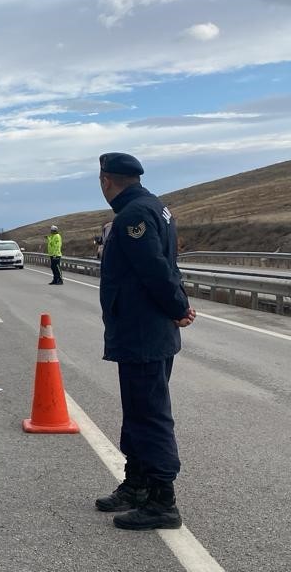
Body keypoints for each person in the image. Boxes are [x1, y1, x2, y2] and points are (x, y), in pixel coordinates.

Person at [95, 152, 196, 531]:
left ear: (106, 180)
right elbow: (169, 265)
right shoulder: (155, 207)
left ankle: (162, 500)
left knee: (149, 414)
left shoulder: (133, 216)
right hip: (146, 329)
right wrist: (179, 305)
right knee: (138, 411)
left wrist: (178, 306)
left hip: (142, 331)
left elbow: (155, 269)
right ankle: (136, 484)